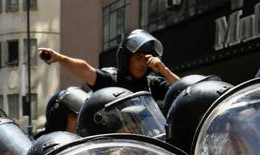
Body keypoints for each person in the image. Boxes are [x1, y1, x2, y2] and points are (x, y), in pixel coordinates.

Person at [39, 30, 179, 102]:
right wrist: (59, 58)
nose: (143, 64)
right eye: (138, 58)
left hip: (151, 145)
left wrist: (163, 70)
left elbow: (185, 90)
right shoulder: (111, 80)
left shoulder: (153, 84)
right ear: (126, 59)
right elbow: (86, 70)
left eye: (146, 59)